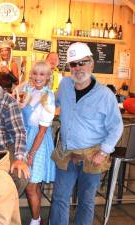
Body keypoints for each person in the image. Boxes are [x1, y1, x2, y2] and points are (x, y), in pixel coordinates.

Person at [49, 42, 123, 225]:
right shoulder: (65, 85)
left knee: (86, 202)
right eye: (74, 64)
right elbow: (51, 102)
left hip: (92, 156)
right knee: (59, 198)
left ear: (92, 63)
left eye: (83, 62)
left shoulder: (105, 95)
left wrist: (104, 151)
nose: (78, 68)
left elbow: (116, 126)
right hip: (66, 153)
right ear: (69, 68)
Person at [18, 61, 56, 225]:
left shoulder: (48, 97)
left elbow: (42, 131)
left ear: (48, 77)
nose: (38, 77)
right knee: (34, 185)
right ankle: (37, 218)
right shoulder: (29, 90)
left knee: (31, 185)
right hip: (25, 138)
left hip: (37, 143)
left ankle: (35, 220)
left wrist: (31, 153)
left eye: (42, 74)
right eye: (35, 73)